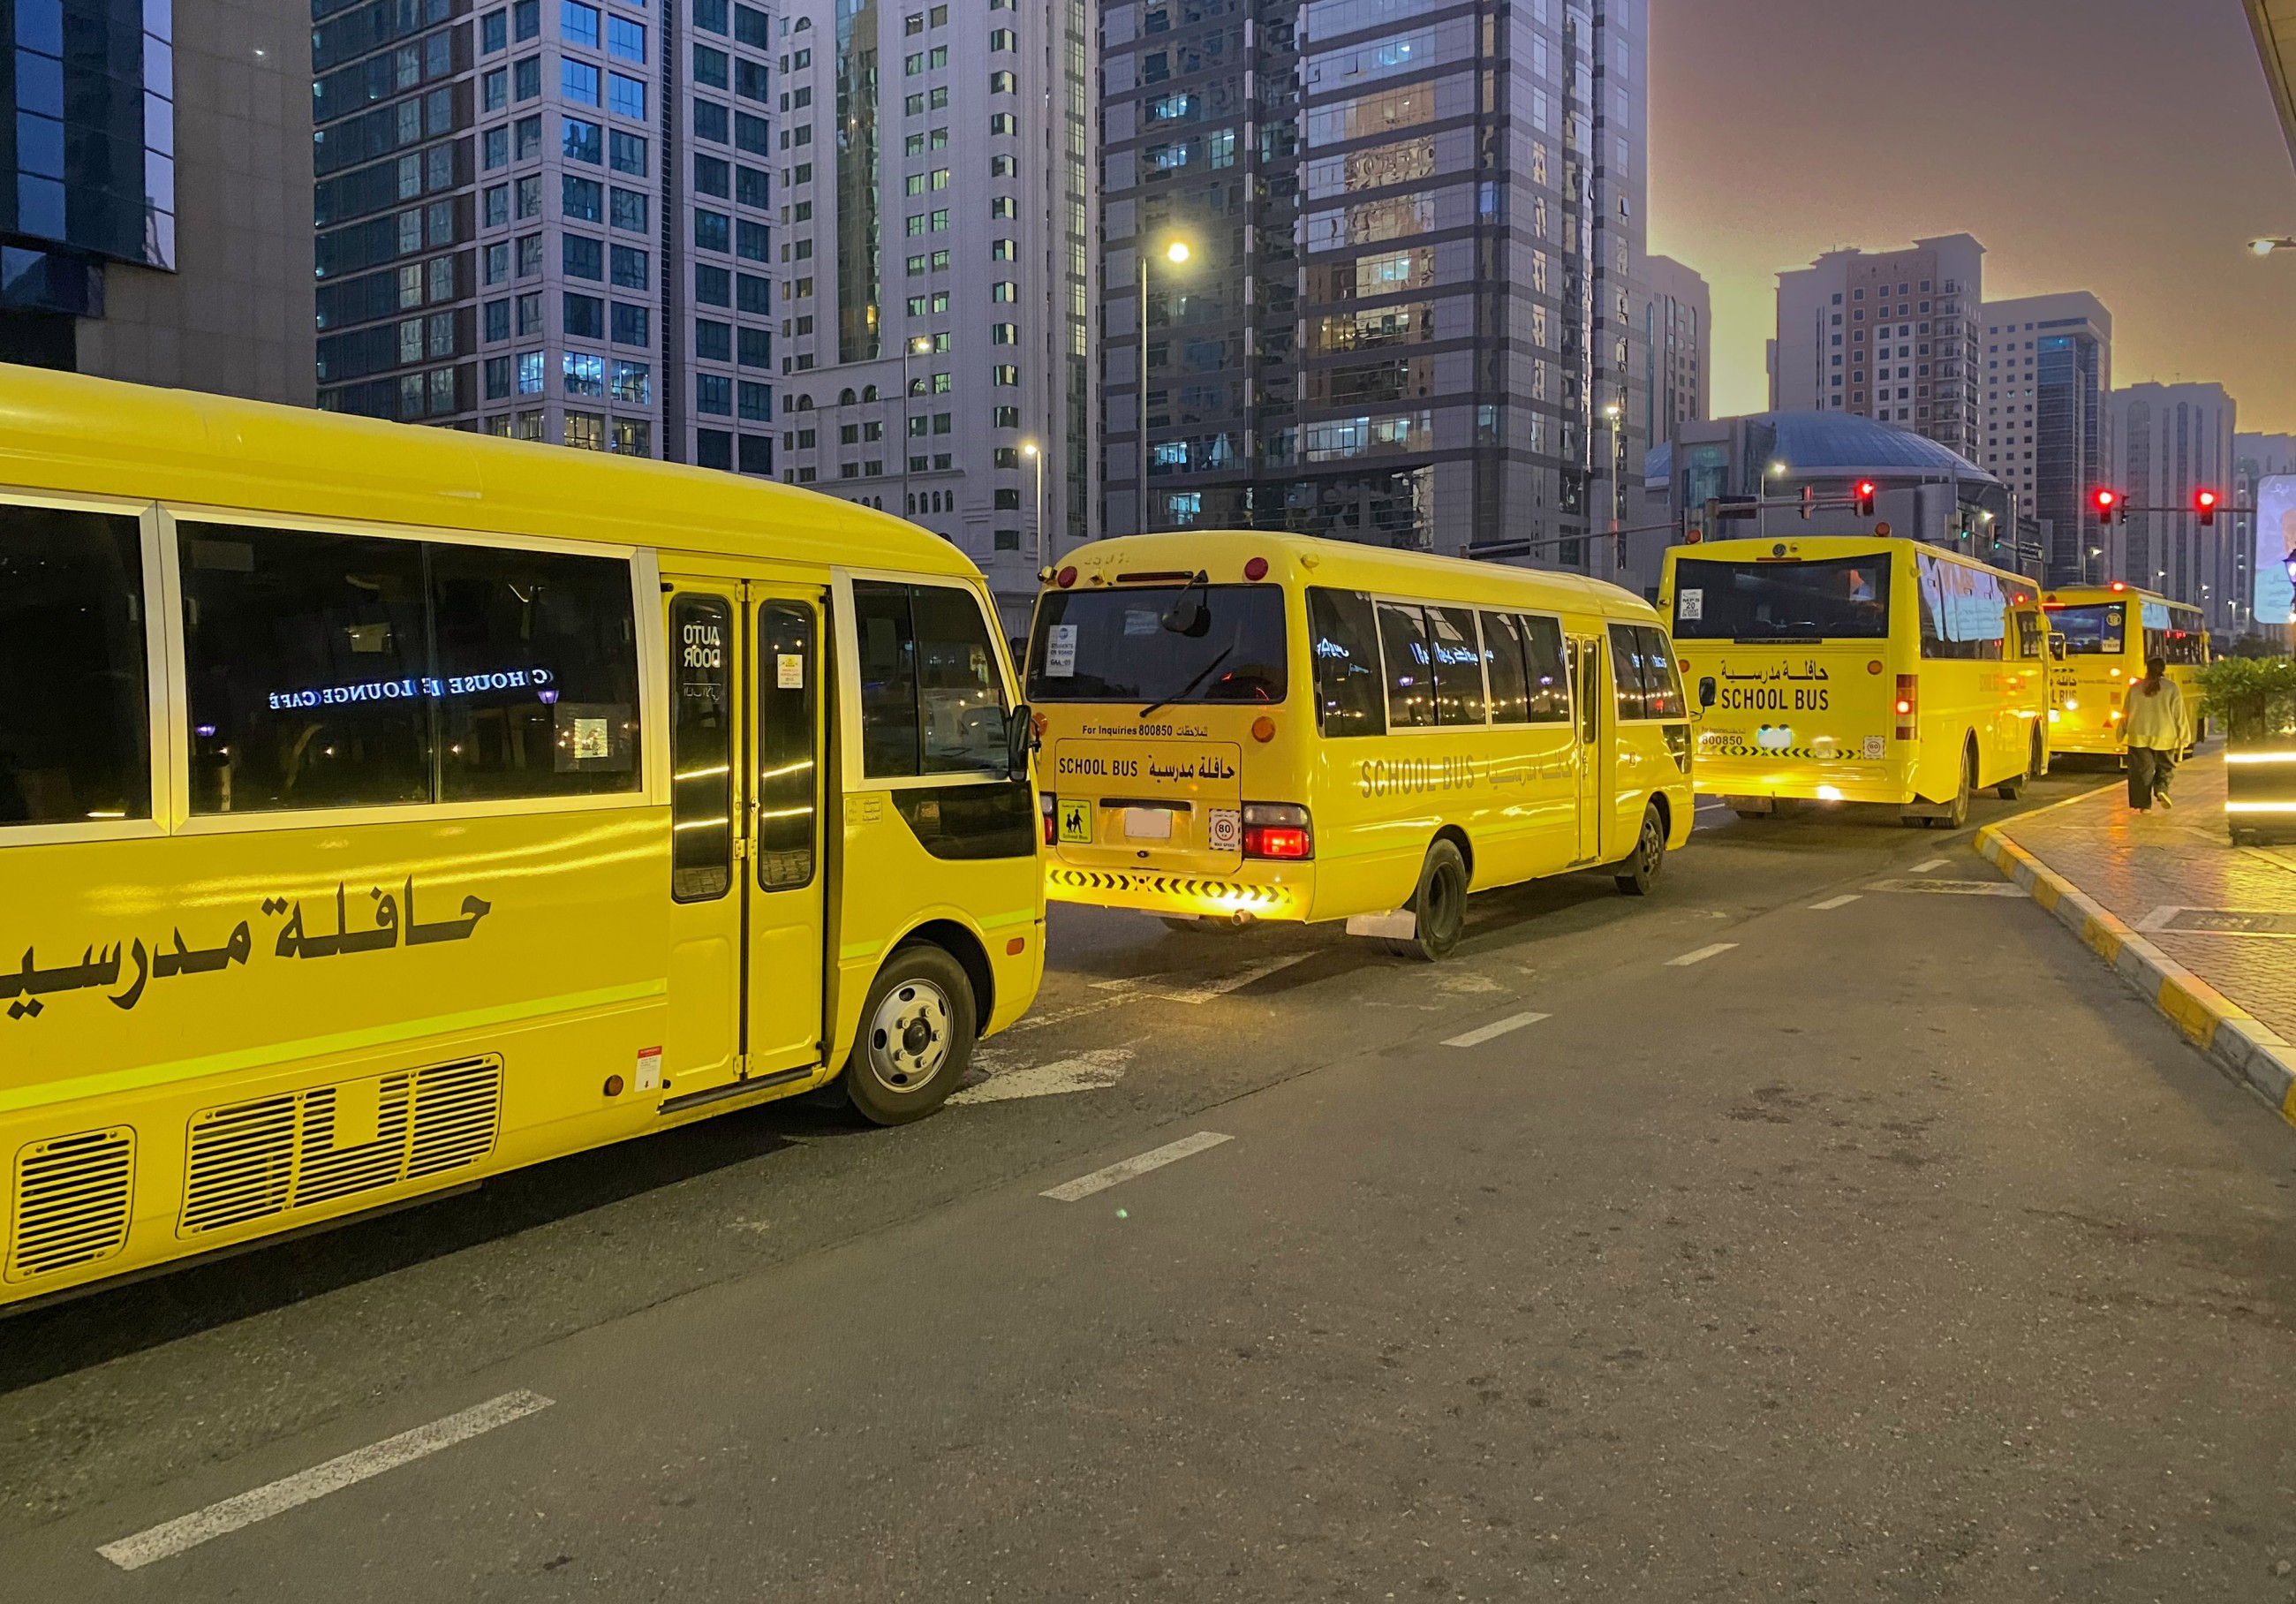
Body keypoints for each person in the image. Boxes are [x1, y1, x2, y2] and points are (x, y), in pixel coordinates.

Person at [2119, 654, 2194, 813]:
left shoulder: (2135, 689)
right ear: (2163, 670)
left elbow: (2126, 712)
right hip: (2165, 736)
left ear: (2147, 669)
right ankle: (2161, 789)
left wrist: (2120, 733)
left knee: (2141, 772)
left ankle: (2144, 806)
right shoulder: (2171, 688)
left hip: (2138, 736)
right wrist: (2184, 737)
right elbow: (2179, 715)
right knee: (2166, 766)